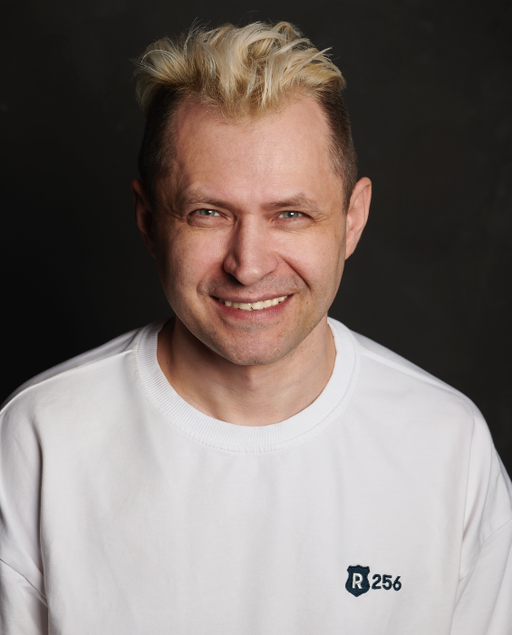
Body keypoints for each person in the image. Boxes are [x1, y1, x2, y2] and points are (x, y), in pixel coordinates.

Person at [1, 21, 511, 635]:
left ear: (352, 220)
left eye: (290, 214)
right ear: (148, 220)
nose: (248, 265)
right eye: (208, 213)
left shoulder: (448, 447)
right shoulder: (40, 439)